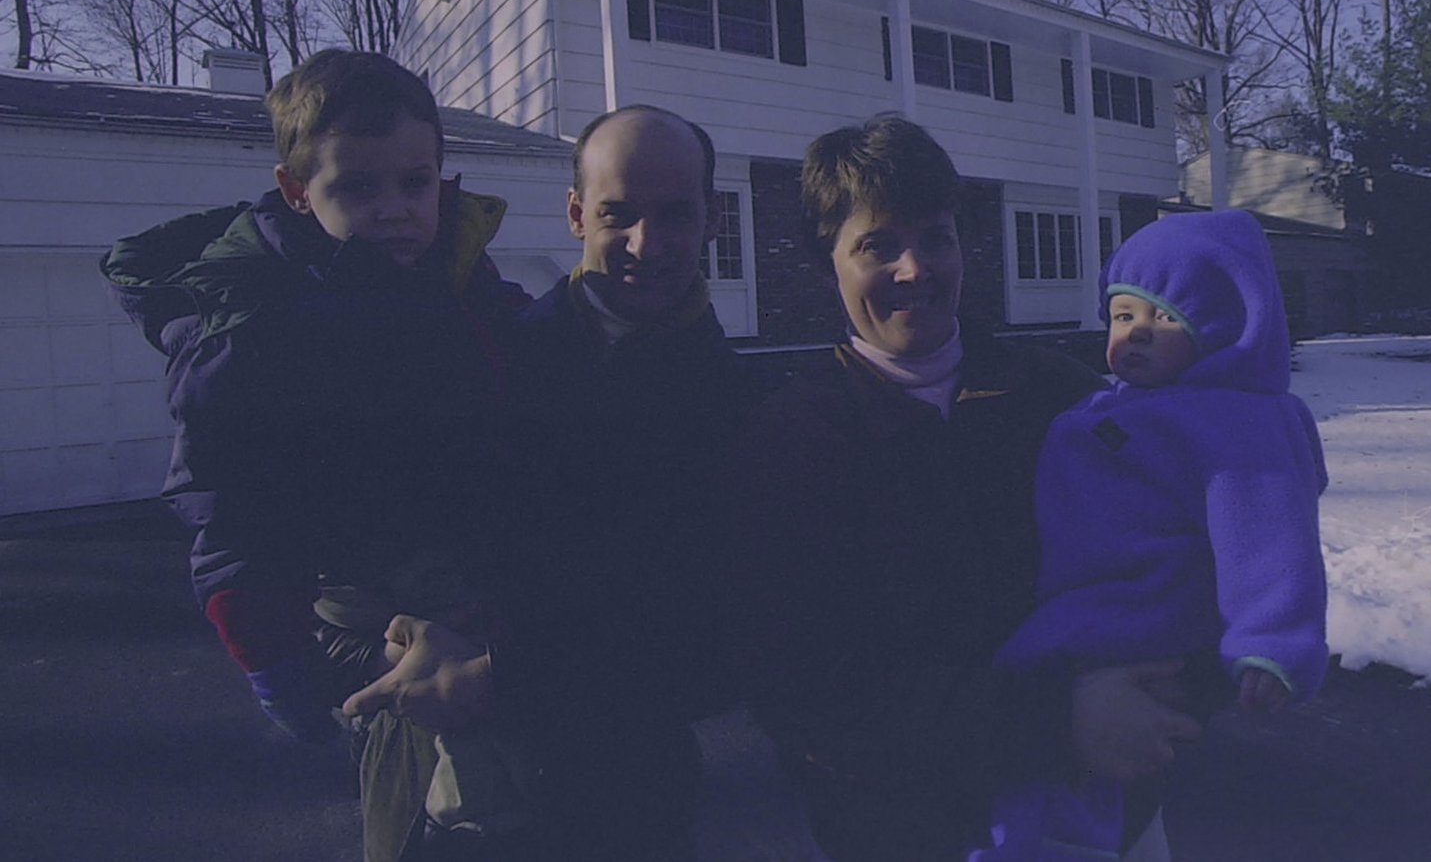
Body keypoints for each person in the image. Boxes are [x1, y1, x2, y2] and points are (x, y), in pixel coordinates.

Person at [731, 114, 1202, 862]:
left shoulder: (1064, 401)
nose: (914, 269)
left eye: (936, 238)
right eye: (877, 245)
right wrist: (1056, 720)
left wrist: (1185, 687)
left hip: (1102, 819)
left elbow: (1178, 565)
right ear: (828, 263)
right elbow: (803, 684)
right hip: (905, 831)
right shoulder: (793, 438)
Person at [100, 49, 530, 862]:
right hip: (378, 613)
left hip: (487, 591)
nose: (396, 209)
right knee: (450, 817)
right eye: (358, 187)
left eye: (415, 182)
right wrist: (271, 656)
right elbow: (227, 507)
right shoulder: (262, 331)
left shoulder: (458, 276)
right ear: (297, 190)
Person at [345, 104, 749, 862]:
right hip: (447, 791)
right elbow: (365, 553)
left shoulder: (743, 412)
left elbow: (730, 646)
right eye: (617, 213)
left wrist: (503, 676)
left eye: (673, 213)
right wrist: (385, 646)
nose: (645, 242)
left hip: (630, 799)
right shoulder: (481, 363)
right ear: (574, 213)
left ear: (712, 218)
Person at [974, 208, 1330, 861]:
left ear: (1217, 328)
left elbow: (1270, 539)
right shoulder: (1127, 401)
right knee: (1025, 722)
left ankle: (1050, 843)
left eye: (1163, 317)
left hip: (1142, 605)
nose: (1136, 331)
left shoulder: (1235, 423)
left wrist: (1273, 641)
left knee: (1065, 745)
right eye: (1122, 314)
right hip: (1089, 600)